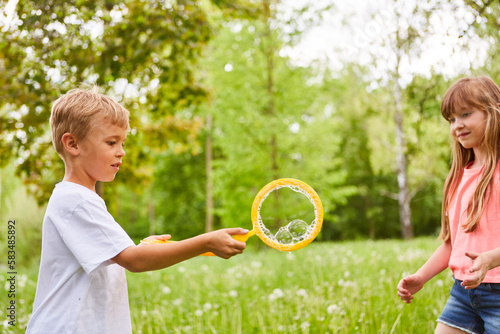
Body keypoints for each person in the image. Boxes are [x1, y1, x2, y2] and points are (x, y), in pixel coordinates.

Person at [26, 86, 248, 334]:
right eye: (111, 142)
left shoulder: (81, 198)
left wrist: (141, 248)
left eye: (122, 142)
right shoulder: (75, 200)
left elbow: (122, 254)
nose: (121, 151)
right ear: (73, 143)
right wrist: (205, 243)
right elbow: (134, 261)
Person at [397, 75, 500, 333]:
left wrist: (489, 259)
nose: (457, 125)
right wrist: (421, 277)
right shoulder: (458, 178)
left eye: (466, 114)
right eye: (451, 119)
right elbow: (453, 243)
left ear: (493, 112)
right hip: (463, 293)